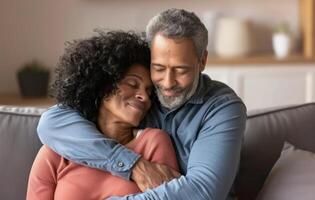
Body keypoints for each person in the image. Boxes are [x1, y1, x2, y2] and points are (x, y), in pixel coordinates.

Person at [37, 8, 247, 200]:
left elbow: (202, 192)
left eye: (181, 70)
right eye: (158, 68)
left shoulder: (222, 108)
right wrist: (134, 165)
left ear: (202, 61)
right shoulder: (141, 98)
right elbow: (50, 122)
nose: (167, 83)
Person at [27, 30, 179, 200]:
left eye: (149, 92)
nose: (144, 97)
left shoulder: (154, 142)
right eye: (132, 84)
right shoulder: (55, 152)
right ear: (102, 84)